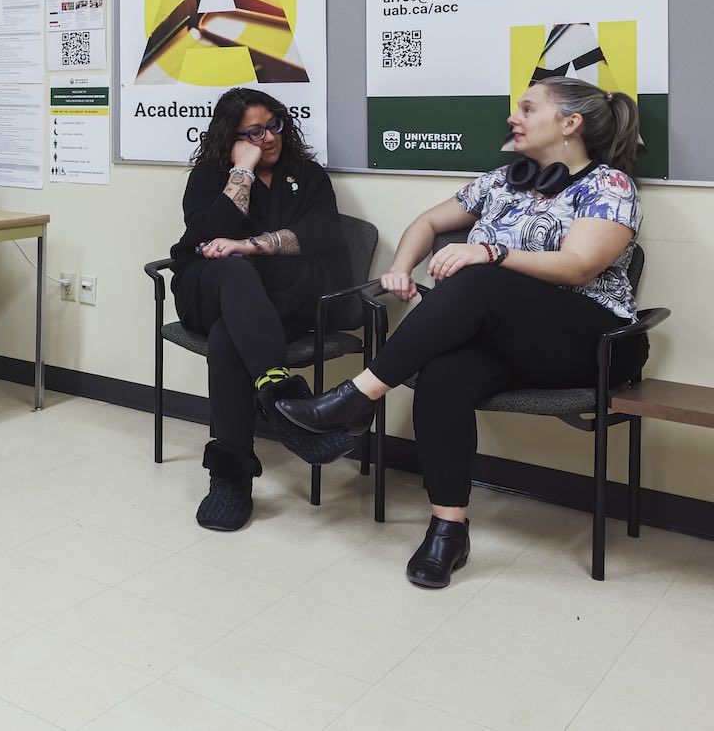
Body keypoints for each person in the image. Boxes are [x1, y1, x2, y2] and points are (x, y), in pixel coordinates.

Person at [278, 77, 645, 588]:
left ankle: (356, 398)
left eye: (527, 108)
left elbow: (579, 265)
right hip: (510, 341)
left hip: (593, 342)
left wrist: (490, 252)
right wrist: (400, 269)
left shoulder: (609, 187)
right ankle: (448, 529)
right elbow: (428, 223)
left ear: (570, 123)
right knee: (443, 374)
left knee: (479, 279)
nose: (513, 117)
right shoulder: (502, 181)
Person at [169, 88, 356, 532]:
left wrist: (252, 245)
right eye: (254, 132)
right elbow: (206, 234)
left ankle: (229, 480)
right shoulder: (209, 176)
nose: (269, 137)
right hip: (210, 289)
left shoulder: (307, 175)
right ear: (230, 137)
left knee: (227, 336)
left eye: (274, 126)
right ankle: (290, 407)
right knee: (233, 272)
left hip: (281, 300)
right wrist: (242, 172)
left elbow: (324, 234)